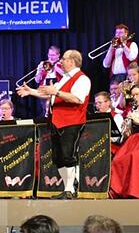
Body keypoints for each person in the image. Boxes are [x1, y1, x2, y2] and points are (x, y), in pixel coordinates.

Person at [17, 49, 90, 199]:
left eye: (63, 59)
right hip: (56, 122)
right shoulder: (64, 78)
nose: (60, 61)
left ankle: (70, 189)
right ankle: (66, 188)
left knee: (68, 155)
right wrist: (31, 91)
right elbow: (48, 92)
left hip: (72, 122)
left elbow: (77, 99)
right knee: (58, 157)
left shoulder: (82, 79)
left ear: (72, 61)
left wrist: (56, 92)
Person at [34, 45, 65, 117]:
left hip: (57, 91)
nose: (50, 57)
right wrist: (39, 71)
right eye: (49, 54)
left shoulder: (62, 64)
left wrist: (56, 67)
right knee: (45, 112)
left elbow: (67, 76)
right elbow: (37, 81)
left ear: (58, 55)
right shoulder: (43, 64)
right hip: (44, 91)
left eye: (53, 55)